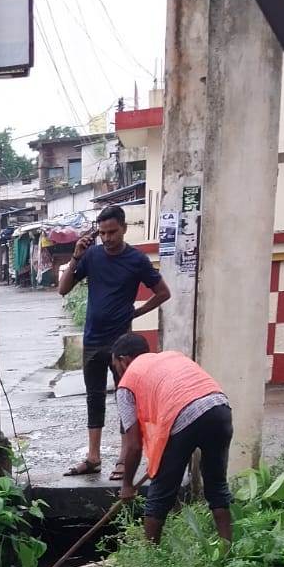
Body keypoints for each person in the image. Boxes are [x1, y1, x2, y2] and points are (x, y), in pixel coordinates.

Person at [58, 204, 171, 479]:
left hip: (120, 343)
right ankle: (93, 457)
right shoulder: (92, 256)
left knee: (125, 400)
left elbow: (162, 292)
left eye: (112, 232)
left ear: (124, 229)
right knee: (93, 398)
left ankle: (123, 459)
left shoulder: (136, 260)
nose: (107, 238)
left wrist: (136, 312)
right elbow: (63, 289)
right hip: (92, 339)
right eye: (103, 233)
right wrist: (75, 257)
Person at [111, 333, 233, 545]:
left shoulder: (127, 383)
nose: (118, 373)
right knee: (217, 485)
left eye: (116, 366)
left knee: (160, 494)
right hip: (219, 407)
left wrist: (127, 484)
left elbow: (133, 445)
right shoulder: (171, 357)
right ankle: (228, 550)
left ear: (124, 360)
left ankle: (149, 558)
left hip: (183, 414)